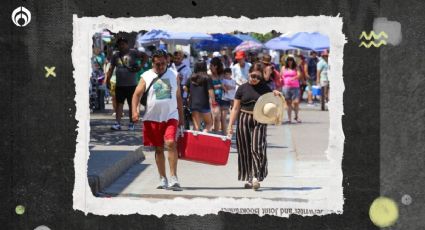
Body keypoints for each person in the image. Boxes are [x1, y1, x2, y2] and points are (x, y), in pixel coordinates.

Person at [131, 50, 184, 191]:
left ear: (167, 61)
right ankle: (162, 178)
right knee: (159, 148)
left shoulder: (174, 75)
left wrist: (182, 118)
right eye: (157, 64)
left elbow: (178, 97)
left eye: (162, 63)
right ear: (152, 62)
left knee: (171, 143)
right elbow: (136, 95)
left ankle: (173, 178)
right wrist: (134, 111)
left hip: (171, 116)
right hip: (152, 118)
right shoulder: (146, 76)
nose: (160, 66)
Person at [226, 70, 282, 190]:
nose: (254, 78)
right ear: (249, 75)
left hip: (260, 119)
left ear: (261, 78)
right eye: (252, 76)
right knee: (245, 149)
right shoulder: (241, 88)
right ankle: (249, 177)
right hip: (244, 118)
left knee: (257, 147)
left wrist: (275, 94)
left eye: (257, 77)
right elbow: (235, 108)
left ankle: (256, 176)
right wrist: (230, 125)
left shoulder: (265, 88)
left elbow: (274, 103)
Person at [106, 37, 145, 131]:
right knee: (119, 104)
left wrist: (140, 66)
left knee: (132, 104)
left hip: (131, 84)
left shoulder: (133, 52)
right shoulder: (116, 55)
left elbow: (145, 56)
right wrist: (107, 80)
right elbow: (111, 68)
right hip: (119, 84)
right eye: (120, 44)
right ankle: (117, 123)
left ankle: (131, 123)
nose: (121, 46)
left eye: (123, 43)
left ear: (127, 44)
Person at [184, 61, 216, 132]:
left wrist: (190, 92)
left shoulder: (192, 77)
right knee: (209, 123)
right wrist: (213, 102)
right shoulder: (207, 78)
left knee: (196, 126)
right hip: (204, 103)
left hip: (193, 103)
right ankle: (204, 135)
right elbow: (210, 91)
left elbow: (184, 87)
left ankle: (194, 142)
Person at [209, 57, 229, 133]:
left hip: (224, 99)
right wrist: (219, 86)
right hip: (214, 99)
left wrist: (228, 86)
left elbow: (230, 84)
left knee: (223, 119)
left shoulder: (223, 76)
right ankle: (216, 137)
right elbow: (208, 88)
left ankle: (225, 138)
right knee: (216, 118)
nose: (210, 67)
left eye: (211, 66)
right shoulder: (209, 77)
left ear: (215, 66)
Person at [281, 55, 302, 123]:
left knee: (296, 102)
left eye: (291, 60)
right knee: (288, 103)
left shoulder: (296, 68)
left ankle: (296, 116)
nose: (290, 61)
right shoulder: (283, 68)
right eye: (289, 60)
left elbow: (299, 75)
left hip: (295, 86)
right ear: (286, 61)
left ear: (293, 61)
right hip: (286, 87)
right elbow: (281, 75)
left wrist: (294, 78)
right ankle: (289, 118)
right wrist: (280, 80)